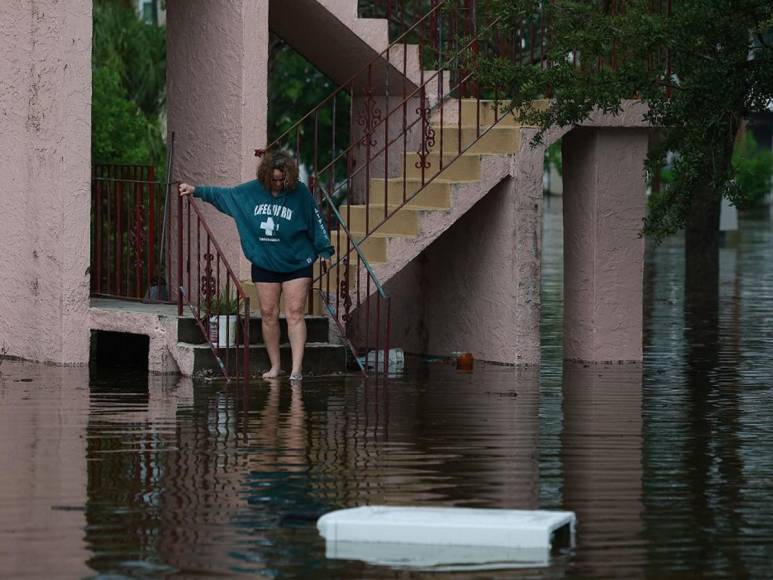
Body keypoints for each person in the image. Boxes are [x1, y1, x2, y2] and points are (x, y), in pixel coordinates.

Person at [178, 151, 334, 381]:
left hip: (297, 261)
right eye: (274, 179)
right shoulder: (251, 191)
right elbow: (225, 196)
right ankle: (275, 367)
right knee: (269, 313)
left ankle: (296, 370)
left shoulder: (300, 193)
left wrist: (325, 249)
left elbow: (315, 219)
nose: (279, 183)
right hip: (265, 261)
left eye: (282, 179)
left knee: (294, 312)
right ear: (265, 176)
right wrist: (197, 190)